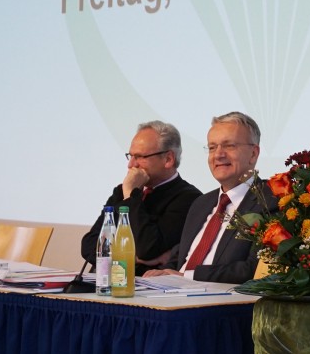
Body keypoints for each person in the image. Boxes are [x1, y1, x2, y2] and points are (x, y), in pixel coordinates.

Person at [144, 112, 277, 284]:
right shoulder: (201, 203)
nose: (218, 155)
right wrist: (157, 277)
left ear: (253, 154)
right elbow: (180, 259)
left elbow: (255, 270)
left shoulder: (271, 201)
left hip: (221, 304)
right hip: (174, 295)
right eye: (212, 147)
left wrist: (187, 277)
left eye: (229, 146)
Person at [81, 120, 202, 275]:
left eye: (139, 157)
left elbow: (147, 248)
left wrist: (131, 196)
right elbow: (89, 245)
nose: (131, 164)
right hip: (106, 281)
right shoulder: (122, 191)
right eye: (130, 156)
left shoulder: (189, 198)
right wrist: (132, 257)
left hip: (144, 290)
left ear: (168, 159)